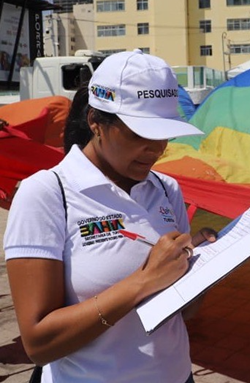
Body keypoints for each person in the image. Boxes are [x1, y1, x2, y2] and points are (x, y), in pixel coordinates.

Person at [4, 49, 216, 383]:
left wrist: (202, 269)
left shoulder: (165, 189)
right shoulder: (46, 194)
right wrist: (143, 281)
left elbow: (180, 311)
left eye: (163, 133)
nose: (156, 148)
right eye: (138, 133)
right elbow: (39, 344)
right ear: (95, 122)